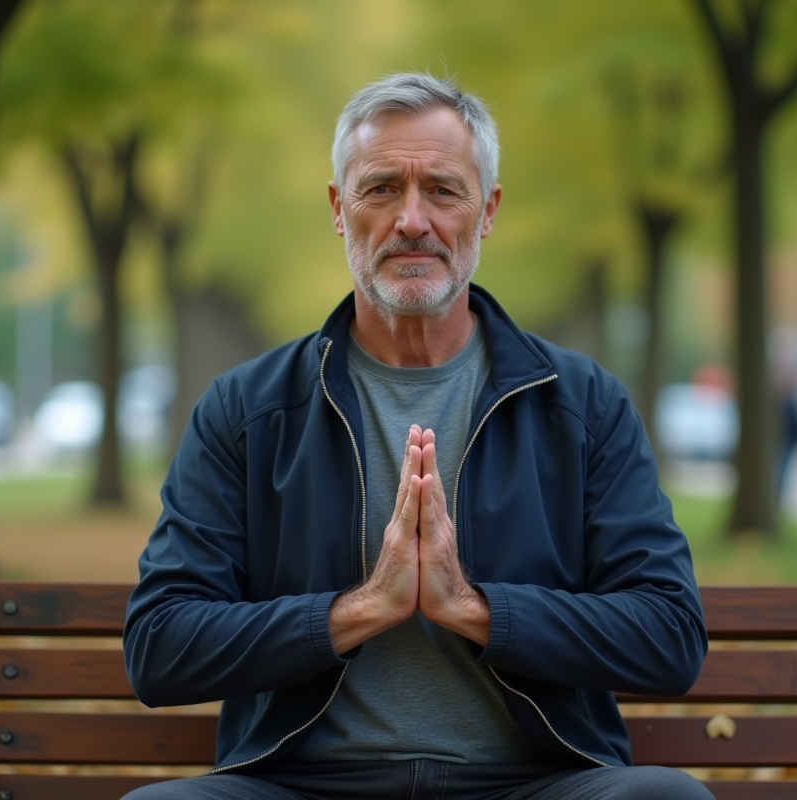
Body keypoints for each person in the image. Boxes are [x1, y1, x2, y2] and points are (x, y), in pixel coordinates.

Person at [122, 73, 711, 800]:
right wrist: (362, 609)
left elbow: (669, 635)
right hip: (304, 787)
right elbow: (159, 647)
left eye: (442, 189)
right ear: (338, 209)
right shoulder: (246, 410)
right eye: (380, 189)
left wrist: (473, 609)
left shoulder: (584, 405)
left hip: (532, 786)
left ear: (486, 211)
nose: (411, 220)